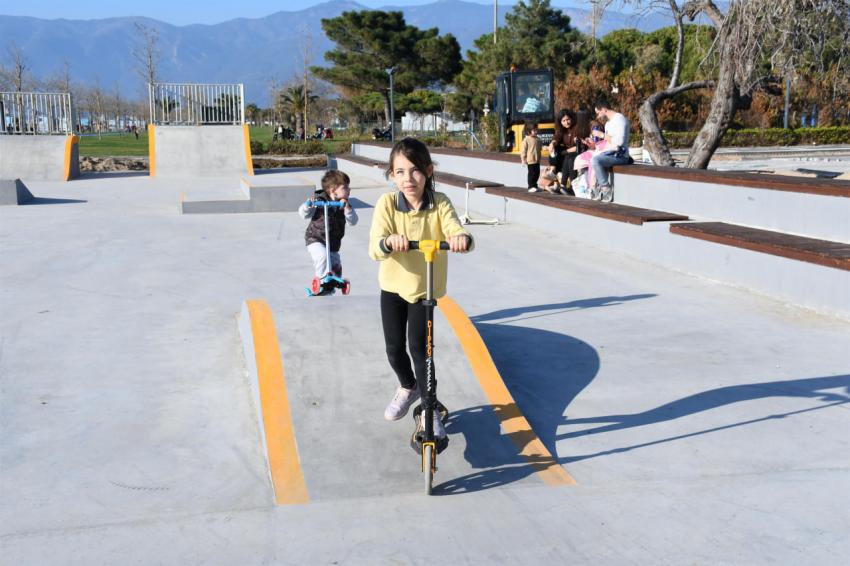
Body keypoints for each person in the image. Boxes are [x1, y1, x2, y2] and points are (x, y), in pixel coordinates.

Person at [369, 137, 473, 440]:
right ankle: (408, 385)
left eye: (414, 171)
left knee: (420, 349)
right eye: (399, 172)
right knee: (393, 348)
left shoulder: (439, 203)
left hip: (424, 289)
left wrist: (460, 239)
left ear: (428, 171)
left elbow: (454, 227)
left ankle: (429, 409)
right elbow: (375, 247)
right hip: (392, 286)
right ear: (391, 175)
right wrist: (389, 242)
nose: (407, 179)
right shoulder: (387, 204)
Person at [298, 170, 358, 284]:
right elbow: (303, 214)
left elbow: (353, 221)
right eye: (345, 188)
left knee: (334, 263)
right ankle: (321, 279)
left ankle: (333, 281)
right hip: (315, 238)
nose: (349, 190)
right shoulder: (318, 200)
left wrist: (348, 210)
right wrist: (308, 206)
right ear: (333, 190)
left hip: (333, 242)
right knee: (322, 256)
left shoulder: (345, 204)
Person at [586, 99, 631, 202]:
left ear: (604, 109)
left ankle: (606, 188)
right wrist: (593, 143)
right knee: (586, 159)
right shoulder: (608, 124)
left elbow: (619, 142)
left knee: (595, 160)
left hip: (620, 155)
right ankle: (593, 187)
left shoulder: (620, 120)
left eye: (598, 113)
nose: (597, 116)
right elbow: (607, 143)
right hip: (609, 153)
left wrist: (601, 135)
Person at [547, 109, 587, 194]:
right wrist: (552, 143)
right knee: (555, 150)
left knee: (569, 158)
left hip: (577, 152)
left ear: (571, 118)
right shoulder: (562, 129)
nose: (566, 122)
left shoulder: (576, 128)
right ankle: (553, 172)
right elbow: (557, 137)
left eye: (568, 119)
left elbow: (578, 146)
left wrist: (565, 151)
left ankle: (569, 186)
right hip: (567, 153)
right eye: (563, 121)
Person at [520, 122, 542, 192]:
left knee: (537, 173)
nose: (536, 131)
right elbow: (523, 150)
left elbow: (541, 147)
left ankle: (535, 186)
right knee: (531, 174)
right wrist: (523, 159)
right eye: (534, 130)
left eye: (536, 130)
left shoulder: (538, 139)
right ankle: (530, 186)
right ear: (529, 131)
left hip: (537, 160)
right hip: (530, 160)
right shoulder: (526, 140)